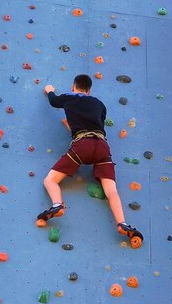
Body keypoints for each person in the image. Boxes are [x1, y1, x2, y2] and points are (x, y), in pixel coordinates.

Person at [37, 74, 143, 247]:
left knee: (50, 180)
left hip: (81, 146)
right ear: (89, 90)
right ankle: (122, 223)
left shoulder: (68, 98)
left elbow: (53, 101)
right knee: (111, 190)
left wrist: (49, 90)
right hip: (101, 146)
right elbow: (96, 124)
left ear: (73, 87)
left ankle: (57, 204)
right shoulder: (99, 104)